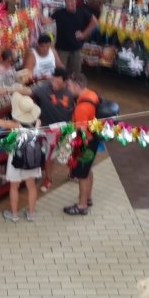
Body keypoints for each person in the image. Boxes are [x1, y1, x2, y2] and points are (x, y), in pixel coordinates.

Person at [0, 93, 43, 222]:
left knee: (14, 187)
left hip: (16, 159)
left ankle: (14, 215)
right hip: (32, 157)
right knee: (31, 186)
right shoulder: (38, 122)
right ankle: (31, 213)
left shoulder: (15, 125)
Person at [16, 67, 75, 192]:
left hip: (66, 128)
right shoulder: (44, 88)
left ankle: (73, 171)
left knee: (70, 152)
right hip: (48, 129)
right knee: (49, 156)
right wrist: (9, 90)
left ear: (65, 82)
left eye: (58, 82)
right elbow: (29, 91)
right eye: (53, 80)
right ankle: (48, 178)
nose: (54, 84)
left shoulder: (71, 91)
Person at [64, 72, 99, 216]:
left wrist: (71, 144)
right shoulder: (92, 95)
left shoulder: (82, 108)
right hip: (94, 139)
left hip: (85, 143)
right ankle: (88, 198)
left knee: (82, 175)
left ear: (78, 86)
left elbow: (81, 132)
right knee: (88, 170)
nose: (67, 88)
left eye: (69, 85)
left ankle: (82, 205)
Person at [48, 0, 98, 75]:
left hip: (76, 50)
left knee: (75, 75)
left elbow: (94, 21)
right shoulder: (60, 13)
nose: (69, 5)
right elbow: (47, 20)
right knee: (61, 73)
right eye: (67, 3)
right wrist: (37, 14)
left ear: (75, 2)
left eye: (71, 2)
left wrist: (84, 34)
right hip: (62, 50)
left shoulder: (82, 12)